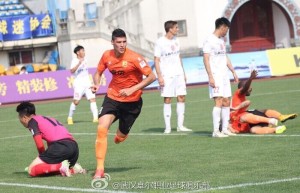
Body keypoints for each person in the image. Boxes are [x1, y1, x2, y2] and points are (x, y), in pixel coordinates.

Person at [91, 28, 156, 179]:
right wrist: (96, 84)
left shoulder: (134, 58)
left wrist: (132, 89)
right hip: (112, 97)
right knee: (101, 129)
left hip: (132, 103)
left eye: (124, 41)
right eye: (119, 42)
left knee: (119, 137)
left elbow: (151, 76)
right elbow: (98, 72)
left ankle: (122, 135)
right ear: (112, 42)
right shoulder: (107, 55)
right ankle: (99, 169)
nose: (122, 45)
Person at [16, 102, 86, 177]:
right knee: (48, 169)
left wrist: (42, 160)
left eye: (20, 119)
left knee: (32, 170)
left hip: (60, 146)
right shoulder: (47, 118)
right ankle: (73, 169)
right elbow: (52, 140)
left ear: (24, 118)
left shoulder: (32, 122)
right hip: (74, 149)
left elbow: (39, 143)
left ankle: (60, 166)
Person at [203, 17, 239, 138]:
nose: (227, 32)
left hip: (224, 75)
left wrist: (233, 71)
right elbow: (206, 59)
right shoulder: (209, 40)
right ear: (222, 27)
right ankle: (215, 131)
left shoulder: (221, 41)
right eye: (227, 29)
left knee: (226, 101)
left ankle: (224, 129)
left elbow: (224, 57)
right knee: (218, 101)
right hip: (215, 75)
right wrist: (210, 77)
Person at [229, 70, 297, 134]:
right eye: (250, 88)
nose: (251, 89)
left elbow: (247, 102)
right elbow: (245, 92)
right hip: (251, 123)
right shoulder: (238, 94)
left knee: (248, 115)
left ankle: (276, 118)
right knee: (253, 130)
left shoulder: (239, 102)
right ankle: (275, 129)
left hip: (252, 118)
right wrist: (250, 79)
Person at [154, 20, 192, 134]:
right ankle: (168, 127)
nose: (178, 29)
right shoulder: (160, 42)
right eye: (176, 27)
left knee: (181, 97)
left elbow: (179, 56)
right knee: (167, 98)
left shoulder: (176, 40)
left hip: (178, 74)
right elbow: (156, 60)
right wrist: (159, 76)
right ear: (170, 29)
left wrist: (183, 73)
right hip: (167, 75)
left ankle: (180, 126)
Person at [67, 45, 98, 125]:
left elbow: (86, 72)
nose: (84, 52)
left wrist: (91, 82)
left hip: (87, 83)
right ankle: (70, 117)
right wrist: (79, 64)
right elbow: (72, 71)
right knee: (76, 101)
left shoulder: (85, 60)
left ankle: (95, 118)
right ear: (78, 52)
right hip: (78, 84)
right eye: (82, 51)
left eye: (84, 50)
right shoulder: (74, 60)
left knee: (92, 99)